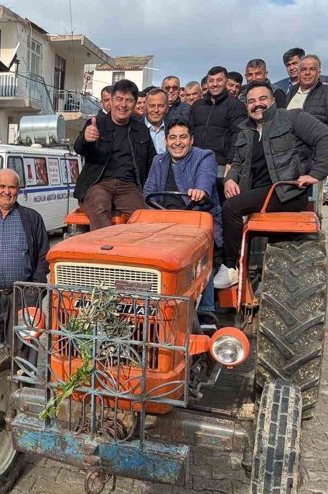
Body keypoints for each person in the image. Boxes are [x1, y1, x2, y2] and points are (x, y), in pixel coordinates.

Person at [215, 81, 328, 288]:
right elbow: (237, 162)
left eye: (262, 99)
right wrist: (229, 179)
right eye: (251, 101)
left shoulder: (292, 118)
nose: (257, 104)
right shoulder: (245, 130)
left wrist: (316, 174)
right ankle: (215, 258)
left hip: (286, 192)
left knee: (232, 208)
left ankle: (230, 267)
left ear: (272, 101)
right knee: (214, 195)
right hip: (257, 192)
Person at [143, 121, 223, 329]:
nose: (177, 143)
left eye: (183, 137)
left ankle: (205, 312)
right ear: (166, 140)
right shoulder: (158, 161)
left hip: (195, 218)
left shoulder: (204, 156)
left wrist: (200, 190)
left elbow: (205, 178)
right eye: (173, 137)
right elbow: (148, 191)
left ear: (191, 140)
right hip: (163, 219)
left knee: (199, 257)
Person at [73, 79, 157, 230]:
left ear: (136, 103)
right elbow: (79, 148)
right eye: (119, 99)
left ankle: (133, 252)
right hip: (98, 184)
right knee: (100, 208)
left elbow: (152, 162)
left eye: (129, 100)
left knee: (143, 217)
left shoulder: (141, 130)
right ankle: (103, 251)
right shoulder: (96, 124)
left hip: (129, 186)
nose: (123, 105)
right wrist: (86, 139)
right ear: (111, 101)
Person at [0, 169, 50, 348]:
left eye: (12, 187)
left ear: (19, 189)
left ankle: (19, 376)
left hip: (21, 297)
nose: (7, 191)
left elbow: (43, 257)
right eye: (2, 186)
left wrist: (34, 294)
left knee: (22, 351)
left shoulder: (32, 218)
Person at [189, 66, 246, 199]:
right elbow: (190, 132)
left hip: (220, 163)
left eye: (219, 80)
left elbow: (237, 136)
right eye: (211, 80)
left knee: (219, 201)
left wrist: (230, 163)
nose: (215, 84)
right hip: (196, 161)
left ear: (226, 81)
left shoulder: (235, 106)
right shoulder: (197, 105)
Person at [286, 54, 328, 139]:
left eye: (312, 69)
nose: (307, 73)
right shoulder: (290, 93)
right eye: (303, 69)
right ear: (298, 73)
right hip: (288, 149)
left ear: (319, 72)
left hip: (315, 149)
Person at [144, 88, 169, 155]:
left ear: (167, 109)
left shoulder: (173, 128)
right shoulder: (134, 129)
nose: (156, 110)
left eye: (161, 106)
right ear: (145, 108)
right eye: (152, 106)